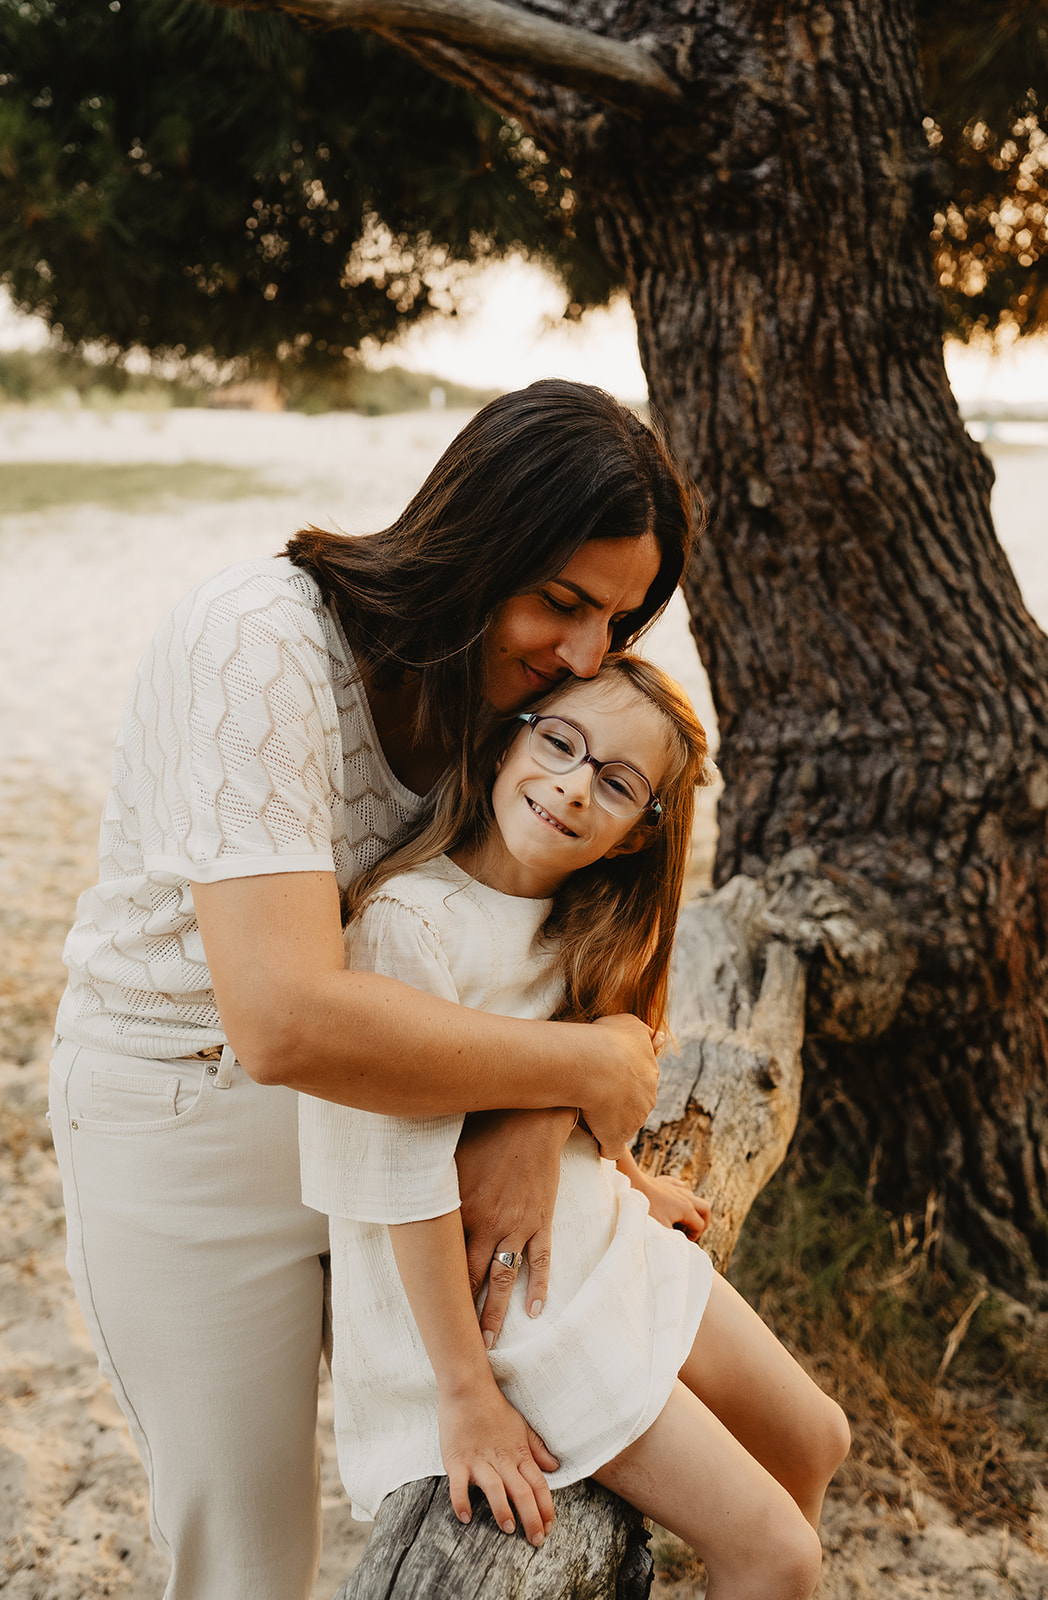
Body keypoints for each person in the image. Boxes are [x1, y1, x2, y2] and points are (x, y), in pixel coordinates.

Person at [47, 380, 696, 1600]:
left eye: (615, 617)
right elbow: (282, 1018)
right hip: (185, 1115)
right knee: (248, 1555)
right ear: (473, 538)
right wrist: (577, 1073)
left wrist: (541, 1117)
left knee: (549, 1456)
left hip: (411, 1110)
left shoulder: (513, 695)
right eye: (560, 599)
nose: (582, 654)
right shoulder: (256, 641)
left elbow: (585, 923)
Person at [305, 657, 850, 1600]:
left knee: (817, 1438)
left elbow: (580, 1073)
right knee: (777, 1553)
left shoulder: (576, 918)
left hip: (598, 1235)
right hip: (504, 1314)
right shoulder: (410, 923)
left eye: (615, 781)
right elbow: (391, 1181)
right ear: (511, 735)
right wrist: (466, 1393)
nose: (570, 783)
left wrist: (633, 1178)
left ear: (637, 835)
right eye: (559, 741)